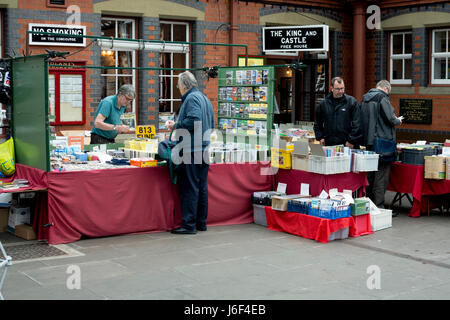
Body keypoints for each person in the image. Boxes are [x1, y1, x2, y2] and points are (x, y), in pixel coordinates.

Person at [167, 71, 215, 235]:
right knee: (201, 186)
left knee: (190, 187)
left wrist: (176, 124)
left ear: (184, 85)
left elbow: (194, 120)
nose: (178, 87)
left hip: (192, 149)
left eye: (178, 85)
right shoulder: (204, 98)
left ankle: (188, 225)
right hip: (204, 148)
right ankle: (201, 222)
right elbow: (210, 123)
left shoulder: (191, 98)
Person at [360, 80, 402, 216]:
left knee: (370, 175)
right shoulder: (382, 98)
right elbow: (390, 118)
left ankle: (369, 205)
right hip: (382, 143)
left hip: (368, 142)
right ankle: (379, 206)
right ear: (385, 88)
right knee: (381, 176)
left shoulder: (365, 98)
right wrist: (398, 120)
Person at [313, 77, 361, 148]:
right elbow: (317, 123)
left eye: (342, 88)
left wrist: (351, 140)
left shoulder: (351, 102)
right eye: (338, 89)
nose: (341, 91)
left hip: (347, 144)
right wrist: (320, 137)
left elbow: (357, 123)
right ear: (331, 88)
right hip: (330, 143)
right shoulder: (323, 104)